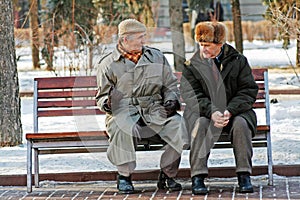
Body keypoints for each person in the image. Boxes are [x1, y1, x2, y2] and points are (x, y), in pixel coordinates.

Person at [95, 19, 186, 194]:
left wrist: (171, 101)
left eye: (144, 36)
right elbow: (101, 97)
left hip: (155, 108)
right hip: (124, 111)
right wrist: (109, 102)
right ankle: (124, 176)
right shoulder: (108, 64)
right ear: (125, 39)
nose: (144, 41)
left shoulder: (157, 57)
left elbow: (170, 85)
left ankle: (167, 174)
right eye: (139, 37)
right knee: (120, 127)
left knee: (179, 127)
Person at [180, 21, 258, 194]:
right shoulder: (191, 65)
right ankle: (197, 177)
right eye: (201, 45)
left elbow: (248, 90)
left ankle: (244, 175)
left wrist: (229, 110)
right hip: (203, 113)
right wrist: (212, 111)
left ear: (220, 45)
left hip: (236, 112)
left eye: (207, 45)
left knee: (241, 125)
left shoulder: (238, 60)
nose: (203, 49)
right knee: (200, 125)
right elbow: (191, 95)